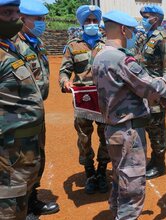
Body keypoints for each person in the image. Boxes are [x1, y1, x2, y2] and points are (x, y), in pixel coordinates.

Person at [92, 10, 166, 219]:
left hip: (113, 128)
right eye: (131, 31)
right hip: (128, 131)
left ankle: (116, 214)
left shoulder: (100, 56)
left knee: (119, 179)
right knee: (132, 190)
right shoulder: (122, 60)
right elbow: (153, 88)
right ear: (123, 30)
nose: (133, 35)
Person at [12, 0, 60, 215]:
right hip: (17, 116)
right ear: (22, 19)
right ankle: (20, 209)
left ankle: (32, 200)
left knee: (36, 158)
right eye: (38, 19)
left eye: (43, 18)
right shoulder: (14, 45)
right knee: (19, 163)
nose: (42, 23)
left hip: (35, 112)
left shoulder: (36, 42)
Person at [59, 5, 110, 194]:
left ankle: (102, 172)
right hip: (83, 98)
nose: (92, 24)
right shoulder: (73, 45)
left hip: (104, 98)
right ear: (82, 23)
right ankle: (90, 173)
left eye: (94, 20)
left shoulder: (107, 44)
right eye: (88, 21)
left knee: (106, 136)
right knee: (84, 137)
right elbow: (64, 71)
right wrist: (65, 82)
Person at [0, 0, 44, 219]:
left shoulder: (10, 48)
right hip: (6, 152)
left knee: (20, 203)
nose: (15, 17)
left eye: (16, 12)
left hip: (22, 150)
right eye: (7, 12)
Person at [138, 5, 166, 179]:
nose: (144, 19)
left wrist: (165, 95)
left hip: (157, 93)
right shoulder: (148, 37)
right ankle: (154, 159)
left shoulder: (163, 39)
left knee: (157, 128)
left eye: (147, 16)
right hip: (147, 91)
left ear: (157, 18)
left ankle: (160, 165)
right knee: (150, 126)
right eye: (143, 16)